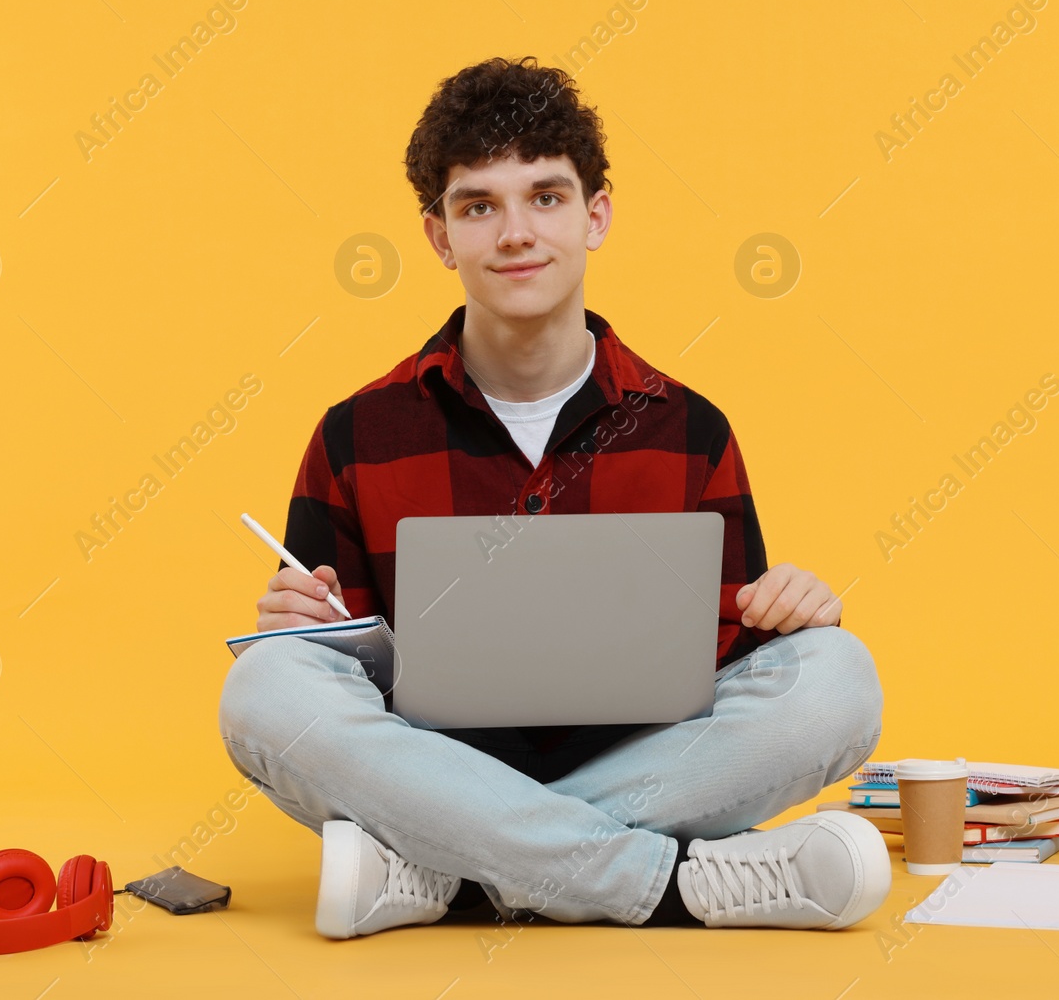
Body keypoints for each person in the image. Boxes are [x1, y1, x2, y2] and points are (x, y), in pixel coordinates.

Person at [219, 56, 889, 939]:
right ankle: (671, 884)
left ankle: (450, 873)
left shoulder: (690, 427)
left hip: (628, 762)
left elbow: (728, 661)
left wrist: (790, 611)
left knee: (838, 677)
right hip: (435, 761)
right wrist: (297, 625)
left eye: (546, 196)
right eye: (478, 206)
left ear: (595, 215)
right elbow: (334, 667)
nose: (515, 233)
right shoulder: (357, 433)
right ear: (438, 235)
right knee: (264, 687)